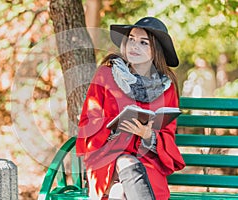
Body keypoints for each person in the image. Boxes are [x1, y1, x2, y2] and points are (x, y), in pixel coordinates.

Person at [76, 17, 185, 200]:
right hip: (107, 156)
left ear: (156, 50)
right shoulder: (106, 75)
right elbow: (88, 121)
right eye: (131, 39)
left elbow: (168, 132)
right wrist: (114, 129)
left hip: (147, 161)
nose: (134, 46)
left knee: (120, 193)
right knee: (126, 162)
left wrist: (148, 135)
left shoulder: (167, 87)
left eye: (143, 42)